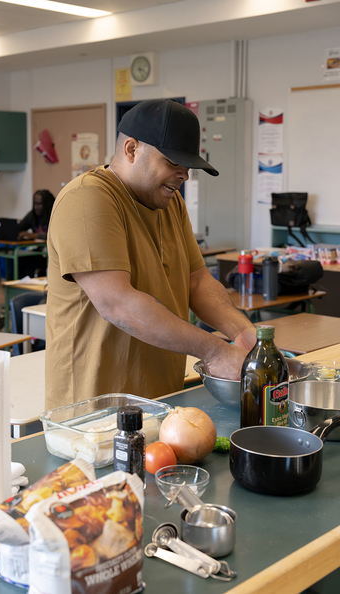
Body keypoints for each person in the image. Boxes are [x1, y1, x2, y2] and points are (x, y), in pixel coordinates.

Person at [44, 99, 256, 410]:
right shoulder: (88, 199)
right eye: (172, 162)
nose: (183, 174)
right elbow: (118, 304)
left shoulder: (171, 204)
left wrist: (244, 333)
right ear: (131, 149)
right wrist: (214, 351)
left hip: (160, 402)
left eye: (187, 166)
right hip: (94, 414)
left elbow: (197, 282)